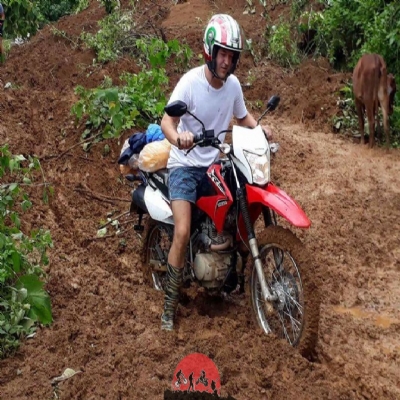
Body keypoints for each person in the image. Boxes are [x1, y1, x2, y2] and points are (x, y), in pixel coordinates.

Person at [160, 14, 273, 331]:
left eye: (232, 55)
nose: (227, 61)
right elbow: (166, 121)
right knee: (182, 231)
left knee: (238, 207)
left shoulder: (233, 85)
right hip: (184, 165)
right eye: (222, 53)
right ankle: (168, 307)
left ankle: (227, 273)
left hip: (214, 163)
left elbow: (244, 116)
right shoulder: (190, 82)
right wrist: (177, 138)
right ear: (210, 51)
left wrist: (262, 131)